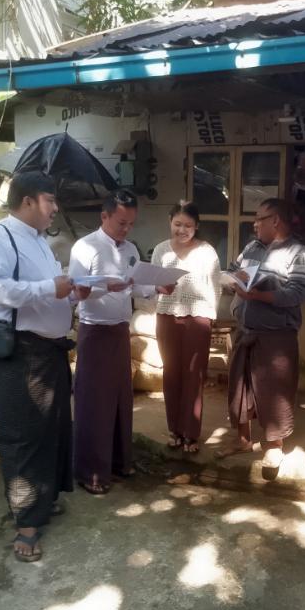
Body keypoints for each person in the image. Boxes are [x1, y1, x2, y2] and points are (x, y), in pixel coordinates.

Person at [0, 171, 86, 563]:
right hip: (20, 353)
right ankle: (26, 524)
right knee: (22, 437)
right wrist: (49, 288)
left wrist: (73, 293)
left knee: (52, 430)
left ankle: (44, 499)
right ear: (28, 201)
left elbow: (47, 294)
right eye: (50, 200)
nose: (55, 208)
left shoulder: (39, 242)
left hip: (49, 352)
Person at [68, 189, 172, 496]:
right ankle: (91, 471)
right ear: (105, 216)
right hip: (94, 331)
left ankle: (118, 461)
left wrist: (157, 288)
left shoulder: (130, 250)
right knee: (93, 402)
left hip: (119, 331)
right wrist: (105, 288)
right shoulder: (85, 247)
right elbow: (76, 291)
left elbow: (134, 286)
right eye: (121, 223)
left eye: (131, 224)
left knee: (119, 398)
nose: (126, 229)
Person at [217, 198, 305, 479]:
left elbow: (300, 291)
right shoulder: (252, 247)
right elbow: (234, 270)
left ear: (276, 221)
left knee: (274, 392)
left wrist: (259, 295)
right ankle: (242, 439)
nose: (255, 224)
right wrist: (232, 280)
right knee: (241, 388)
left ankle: (274, 446)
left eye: (260, 218)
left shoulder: (298, 254)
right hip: (246, 330)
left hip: (276, 337)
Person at [151, 201, 222, 454]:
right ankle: (175, 431)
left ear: (197, 226)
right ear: (170, 222)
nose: (182, 230)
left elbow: (215, 286)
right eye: (177, 224)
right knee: (171, 373)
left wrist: (210, 316)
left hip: (198, 318)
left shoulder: (207, 252)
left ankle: (191, 434)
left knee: (194, 375)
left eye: (188, 225)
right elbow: (154, 283)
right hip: (166, 316)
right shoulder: (161, 250)